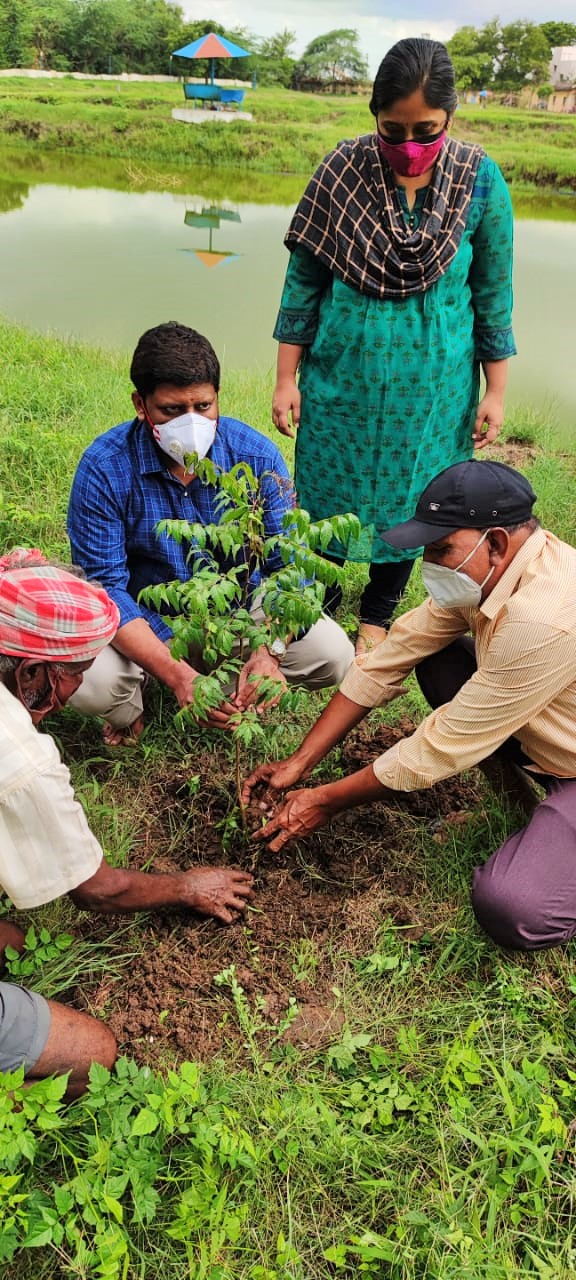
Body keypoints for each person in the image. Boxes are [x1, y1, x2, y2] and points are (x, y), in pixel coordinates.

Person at [243, 460, 576, 953]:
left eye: (442, 549)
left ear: (498, 542)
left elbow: (441, 745)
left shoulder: (545, 618)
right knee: (440, 660)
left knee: (513, 906)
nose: (433, 565)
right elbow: (390, 657)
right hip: (552, 733)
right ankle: (523, 810)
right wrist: (300, 762)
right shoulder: (495, 570)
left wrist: (324, 800)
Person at [272, 38, 516, 656]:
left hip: (434, 395)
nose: (410, 146)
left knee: (417, 498)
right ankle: (320, 606)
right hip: (340, 382)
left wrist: (496, 391)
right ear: (374, 116)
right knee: (328, 490)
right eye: (393, 129)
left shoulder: (479, 182)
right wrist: (285, 378)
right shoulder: (340, 172)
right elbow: (302, 283)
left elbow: (493, 294)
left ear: (450, 118)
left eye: (426, 130)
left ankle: (378, 614)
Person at [0, 549, 254, 1092]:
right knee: (94, 1055)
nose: (69, 698)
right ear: (31, 672)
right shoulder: (20, 759)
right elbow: (97, 891)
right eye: (75, 677)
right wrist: (188, 887)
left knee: (14, 946)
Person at [68, 322, 353, 747]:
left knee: (333, 653)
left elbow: (290, 569)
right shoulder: (104, 468)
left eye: (203, 406)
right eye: (171, 410)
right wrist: (177, 673)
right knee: (94, 683)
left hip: (238, 614)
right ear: (141, 405)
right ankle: (138, 699)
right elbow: (105, 588)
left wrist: (268, 651)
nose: (191, 422)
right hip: (148, 623)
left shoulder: (255, 457)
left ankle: (243, 682)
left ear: (218, 397)